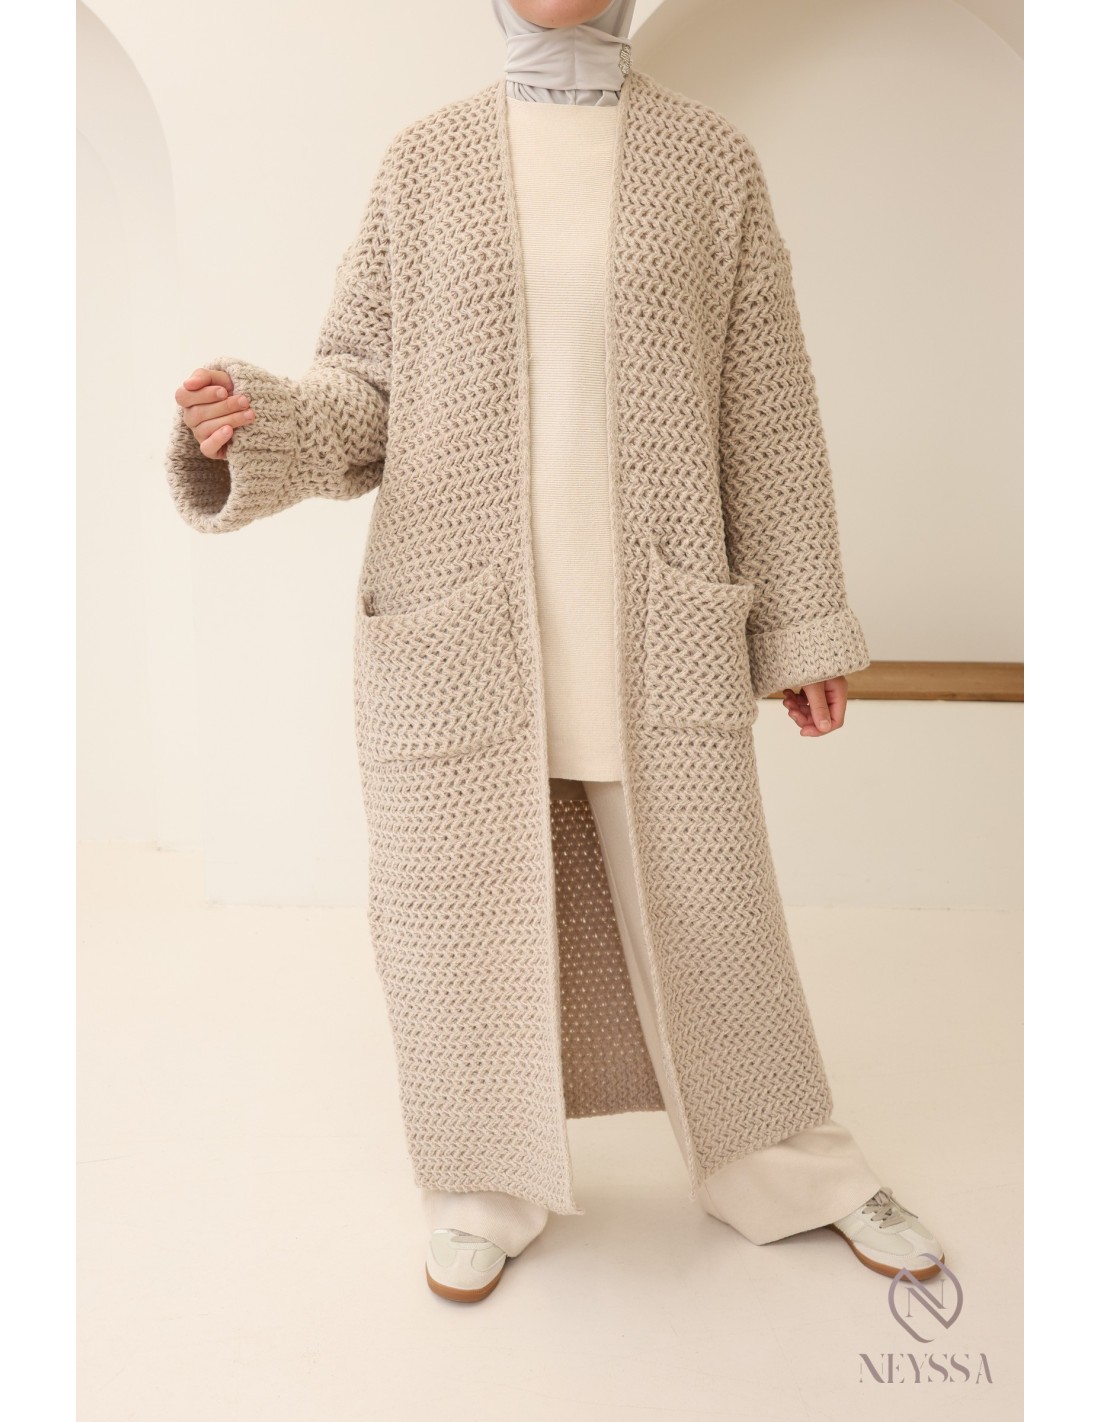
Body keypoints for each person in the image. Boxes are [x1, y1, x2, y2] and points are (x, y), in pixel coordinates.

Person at [168, 0, 945, 1305]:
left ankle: (788, 1168)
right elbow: (362, 394)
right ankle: (480, 1184)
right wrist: (263, 422)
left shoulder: (712, 163)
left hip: (658, 621)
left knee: (714, 915)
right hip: (462, 628)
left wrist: (802, 619)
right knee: (460, 923)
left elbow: (767, 413)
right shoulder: (425, 163)